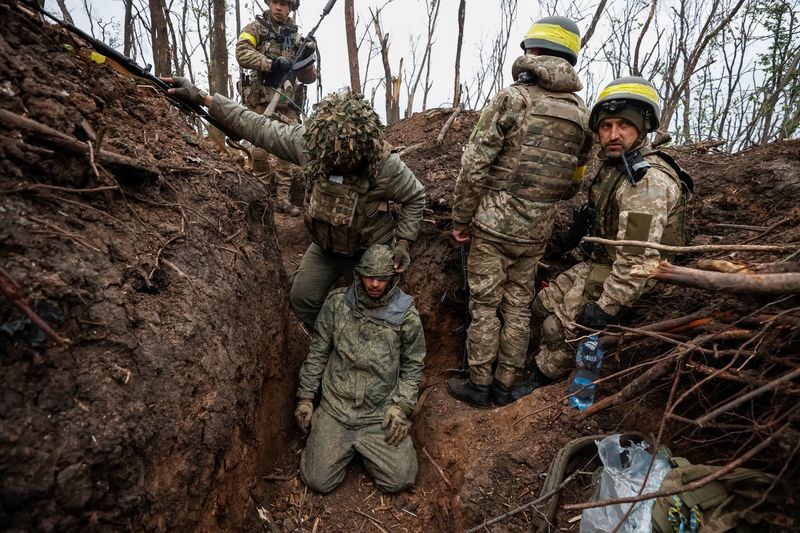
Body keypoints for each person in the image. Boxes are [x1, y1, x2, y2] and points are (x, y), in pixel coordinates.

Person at [163, 80, 426, 331]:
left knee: (376, 310)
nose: (340, 166)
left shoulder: (385, 166)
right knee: (302, 298)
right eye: (333, 161)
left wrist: (403, 242)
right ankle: (332, 339)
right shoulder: (311, 147)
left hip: (368, 249)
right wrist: (202, 98)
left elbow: (415, 197)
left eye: (347, 163)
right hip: (326, 247)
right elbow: (256, 126)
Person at [446, 16, 593, 408]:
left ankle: (478, 384)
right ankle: (505, 386)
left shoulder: (513, 98)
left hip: (493, 227)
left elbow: (474, 165)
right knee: (517, 308)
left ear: (533, 52)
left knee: (485, 308)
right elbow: (575, 181)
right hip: (536, 232)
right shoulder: (582, 114)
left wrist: (461, 220)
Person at [532, 76, 693, 381]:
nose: (613, 134)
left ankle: (541, 379)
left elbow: (636, 263)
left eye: (623, 125)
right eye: (606, 126)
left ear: (642, 127)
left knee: (559, 329)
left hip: (629, 275)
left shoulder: (647, 184)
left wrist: (606, 307)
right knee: (541, 307)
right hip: (602, 260)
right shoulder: (618, 166)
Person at [292, 244, 425, 493]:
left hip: (378, 413)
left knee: (400, 479)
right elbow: (318, 351)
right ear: (359, 275)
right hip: (336, 408)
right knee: (317, 480)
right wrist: (306, 396)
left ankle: (362, 448)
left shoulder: (406, 316)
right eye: (369, 277)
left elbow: (413, 365)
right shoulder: (337, 304)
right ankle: (338, 443)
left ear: (392, 279)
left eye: (382, 279)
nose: (375, 284)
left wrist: (402, 406)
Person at [236, 0, 317, 216]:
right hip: (261, 101)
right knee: (259, 150)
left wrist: (308, 57)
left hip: (287, 103)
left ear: (291, 7)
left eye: (283, 3)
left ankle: (283, 199)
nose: (278, 8)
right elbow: (242, 52)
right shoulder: (256, 28)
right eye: (275, 2)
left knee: (286, 154)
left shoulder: (298, 38)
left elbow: (308, 78)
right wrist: (270, 63)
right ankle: (261, 196)